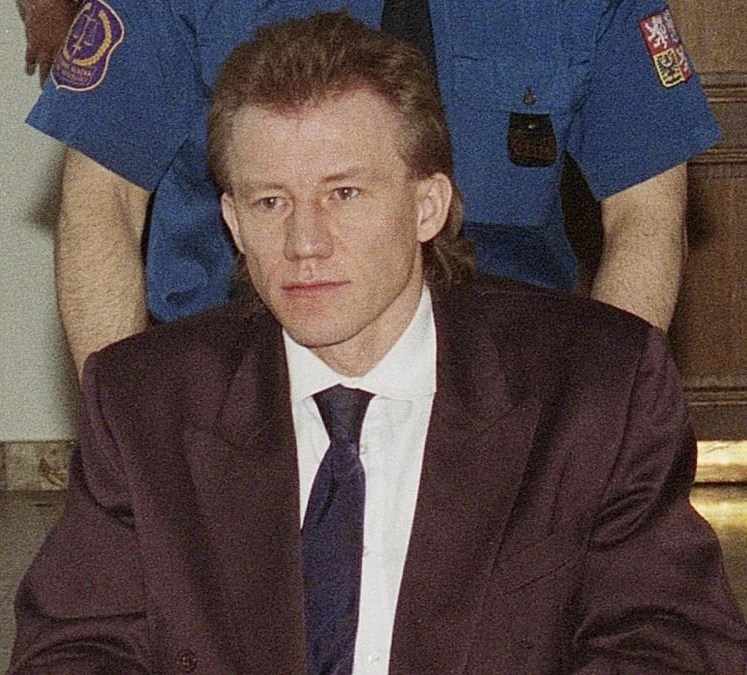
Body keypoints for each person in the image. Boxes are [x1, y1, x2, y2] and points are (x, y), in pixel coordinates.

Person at [10, 13, 746, 673]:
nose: (305, 242)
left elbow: (666, 643)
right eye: (270, 202)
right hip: (225, 389)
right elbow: (101, 198)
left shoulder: (589, 406)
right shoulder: (145, 409)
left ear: (429, 205)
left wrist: (588, 436)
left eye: (344, 194)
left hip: (512, 388)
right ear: (235, 219)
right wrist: (148, 458)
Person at [24, 0, 718, 379]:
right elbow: (103, 199)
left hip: (503, 386)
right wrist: (124, 430)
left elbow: (647, 213)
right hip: (236, 379)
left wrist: (597, 417)